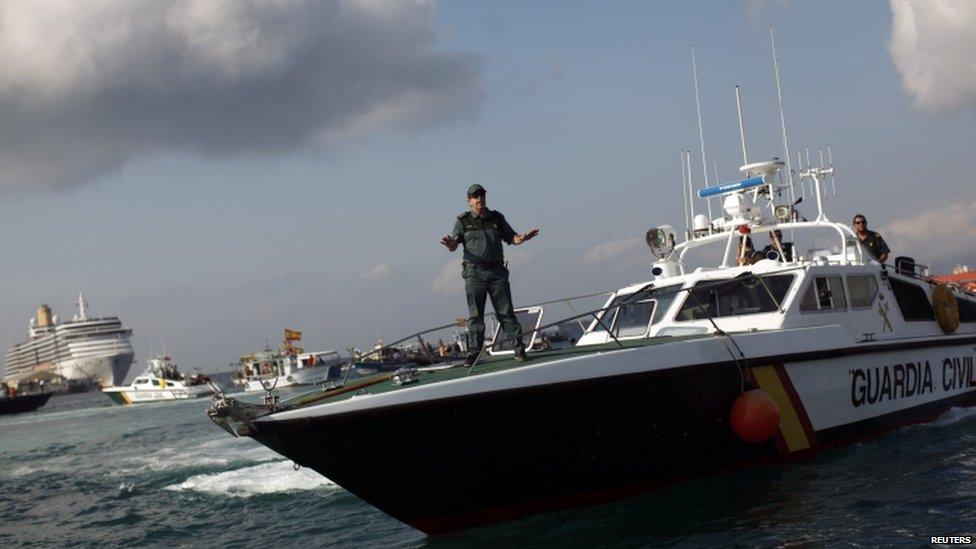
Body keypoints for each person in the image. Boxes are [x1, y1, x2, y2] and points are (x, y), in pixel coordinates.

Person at [441, 184, 539, 365]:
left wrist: (522, 238)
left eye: (482, 196)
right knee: (475, 315)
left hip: (496, 272)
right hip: (474, 273)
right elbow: (454, 244)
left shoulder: (496, 218)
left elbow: (512, 238)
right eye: (475, 197)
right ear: (469, 201)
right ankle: (473, 354)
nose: (479, 199)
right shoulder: (463, 222)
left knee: (506, 312)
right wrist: (450, 245)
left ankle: (519, 349)